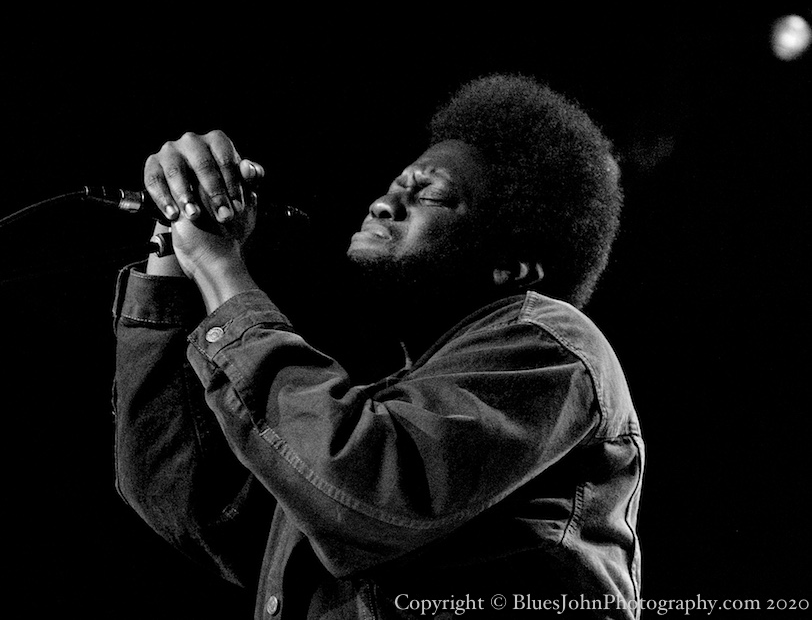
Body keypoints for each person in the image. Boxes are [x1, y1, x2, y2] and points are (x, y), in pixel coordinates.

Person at [113, 74, 643, 619]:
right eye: (395, 185)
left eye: (429, 193)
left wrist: (222, 269)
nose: (385, 204)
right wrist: (175, 246)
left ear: (511, 265)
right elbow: (188, 497)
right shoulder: (387, 405)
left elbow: (363, 482)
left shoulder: (556, 345)